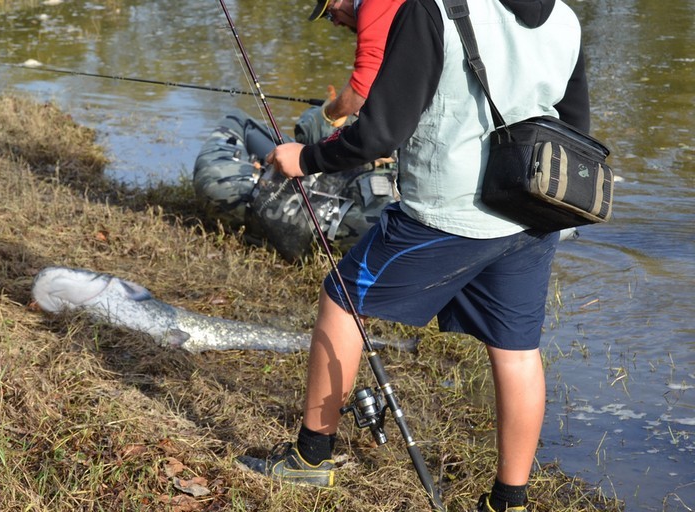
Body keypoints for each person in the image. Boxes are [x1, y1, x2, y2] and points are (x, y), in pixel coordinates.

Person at [237, 0, 590, 510]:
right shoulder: (565, 17)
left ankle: (310, 460)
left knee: (343, 299)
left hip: (449, 213)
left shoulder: (432, 9)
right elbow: (574, 127)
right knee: (516, 351)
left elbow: (380, 132)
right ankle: (509, 502)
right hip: (531, 213)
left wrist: (308, 157)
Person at [295, 0, 405, 142]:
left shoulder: (373, 4)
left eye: (331, 13)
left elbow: (361, 88)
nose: (335, 23)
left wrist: (328, 114)